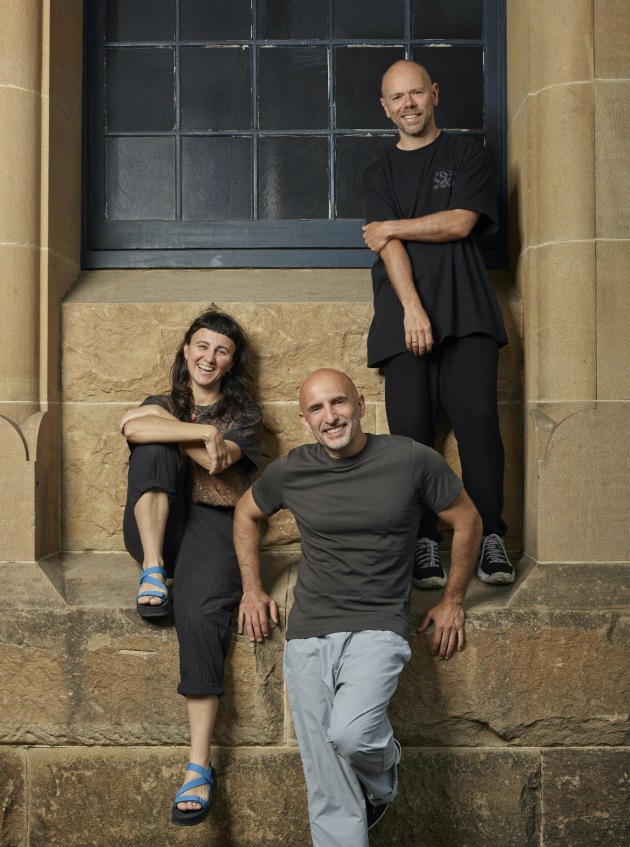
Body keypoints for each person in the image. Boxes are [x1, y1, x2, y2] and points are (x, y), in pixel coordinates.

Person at [234, 368, 481, 847]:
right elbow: (246, 512)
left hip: (377, 626)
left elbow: (467, 520)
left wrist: (453, 600)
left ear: (361, 404)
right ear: (305, 419)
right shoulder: (292, 470)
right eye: (318, 409)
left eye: (339, 403)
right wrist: (252, 587)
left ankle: (385, 772)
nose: (331, 416)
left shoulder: (411, 459)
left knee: (351, 735)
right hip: (307, 632)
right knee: (327, 783)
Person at [362, 60, 514, 590]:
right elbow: (389, 248)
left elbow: (461, 222)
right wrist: (412, 308)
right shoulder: (379, 173)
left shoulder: (468, 153)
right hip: (404, 318)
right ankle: (423, 541)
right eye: (397, 97)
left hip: (468, 310)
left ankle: (491, 535)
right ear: (385, 108)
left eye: (416, 93)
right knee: (411, 438)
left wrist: (389, 226)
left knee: (478, 429)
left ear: (435, 94)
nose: (408, 104)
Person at [119, 307, 262, 826]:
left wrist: (173, 432)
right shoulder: (165, 402)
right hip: (157, 521)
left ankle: (198, 767)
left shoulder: (244, 415)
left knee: (201, 618)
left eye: (221, 351)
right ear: (186, 350)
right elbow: (130, 425)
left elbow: (218, 462)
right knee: (152, 452)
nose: (210, 357)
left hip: (214, 526)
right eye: (202, 346)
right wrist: (197, 431)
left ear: (231, 362)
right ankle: (153, 569)